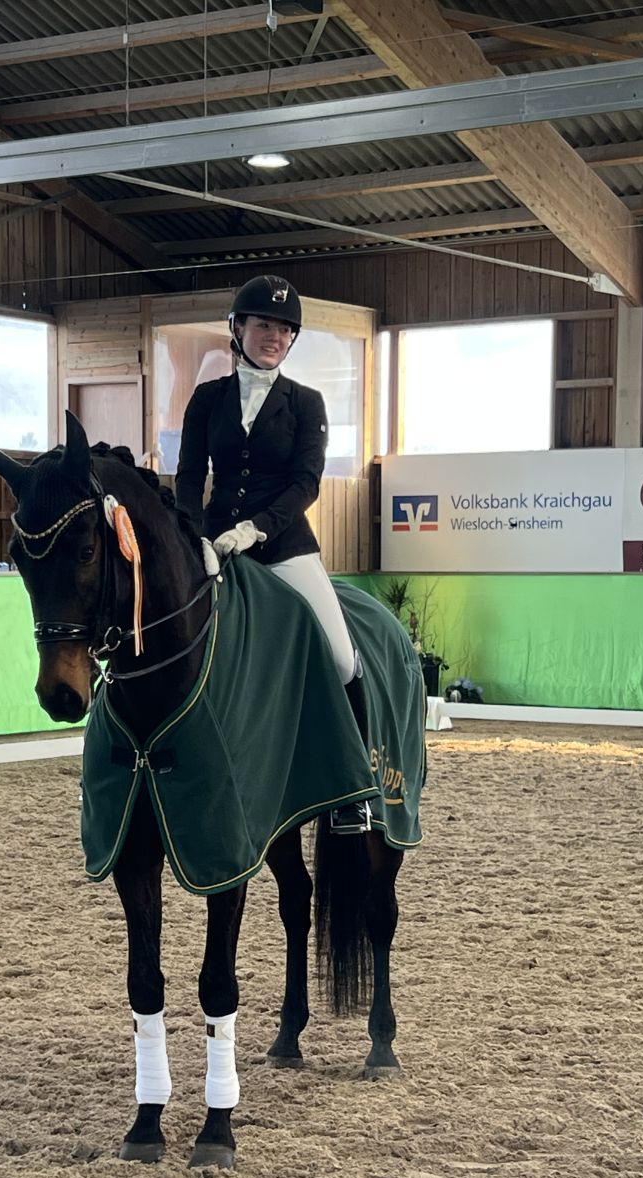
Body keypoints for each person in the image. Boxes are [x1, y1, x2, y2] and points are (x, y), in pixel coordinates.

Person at [176, 274, 371, 834]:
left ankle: (352, 789)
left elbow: (305, 483)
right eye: (264, 324)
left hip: (283, 545)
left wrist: (256, 528)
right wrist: (194, 534)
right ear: (238, 328)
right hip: (214, 544)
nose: (274, 336)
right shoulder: (207, 399)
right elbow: (188, 477)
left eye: (285, 329)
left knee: (340, 657)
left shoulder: (306, 403)